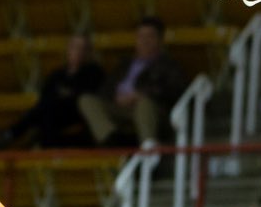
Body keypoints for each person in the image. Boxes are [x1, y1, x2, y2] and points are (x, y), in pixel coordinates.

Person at [78, 16, 188, 148]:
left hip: (150, 109)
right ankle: (112, 139)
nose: (144, 41)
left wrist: (140, 95)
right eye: (141, 36)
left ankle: (149, 150)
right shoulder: (124, 64)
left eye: (150, 36)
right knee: (87, 100)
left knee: (144, 104)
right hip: (120, 107)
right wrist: (116, 97)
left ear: (160, 40)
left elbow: (175, 90)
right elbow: (105, 89)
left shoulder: (168, 65)